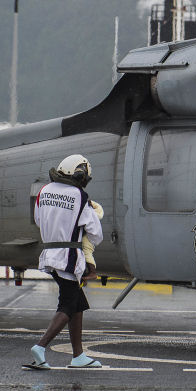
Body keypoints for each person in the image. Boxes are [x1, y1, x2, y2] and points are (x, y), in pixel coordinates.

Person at [29, 154, 104, 369]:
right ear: (80, 175)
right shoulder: (79, 196)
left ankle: (78, 356)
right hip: (69, 258)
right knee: (68, 304)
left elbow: (38, 219)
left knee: (77, 303)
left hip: (50, 255)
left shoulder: (44, 191)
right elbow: (95, 232)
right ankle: (40, 347)